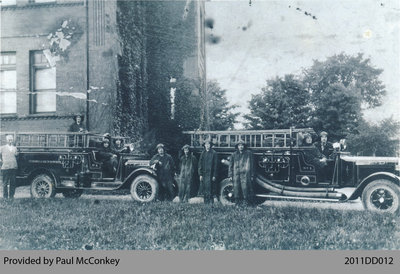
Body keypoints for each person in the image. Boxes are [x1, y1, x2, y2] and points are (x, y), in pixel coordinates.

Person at [229, 140, 254, 206]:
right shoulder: (234, 155)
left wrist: (252, 175)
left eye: (242, 145)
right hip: (236, 174)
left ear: (244, 146)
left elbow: (252, 165)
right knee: (236, 188)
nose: (241, 147)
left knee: (245, 188)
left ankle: (246, 203)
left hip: (245, 175)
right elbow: (230, 166)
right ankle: (237, 204)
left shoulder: (248, 154)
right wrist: (230, 175)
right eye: (239, 145)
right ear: (237, 147)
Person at [198, 139, 218, 204]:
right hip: (204, 174)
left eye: (208, 144)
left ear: (210, 145)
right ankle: (206, 203)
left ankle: (211, 203)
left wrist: (214, 175)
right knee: (205, 189)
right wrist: (200, 174)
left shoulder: (214, 153)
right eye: (206, 144)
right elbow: (200, 164)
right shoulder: (203, 153)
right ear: (204, 145)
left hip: (211, 175)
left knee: (211, 189)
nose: (207, 146)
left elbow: (216, 165)